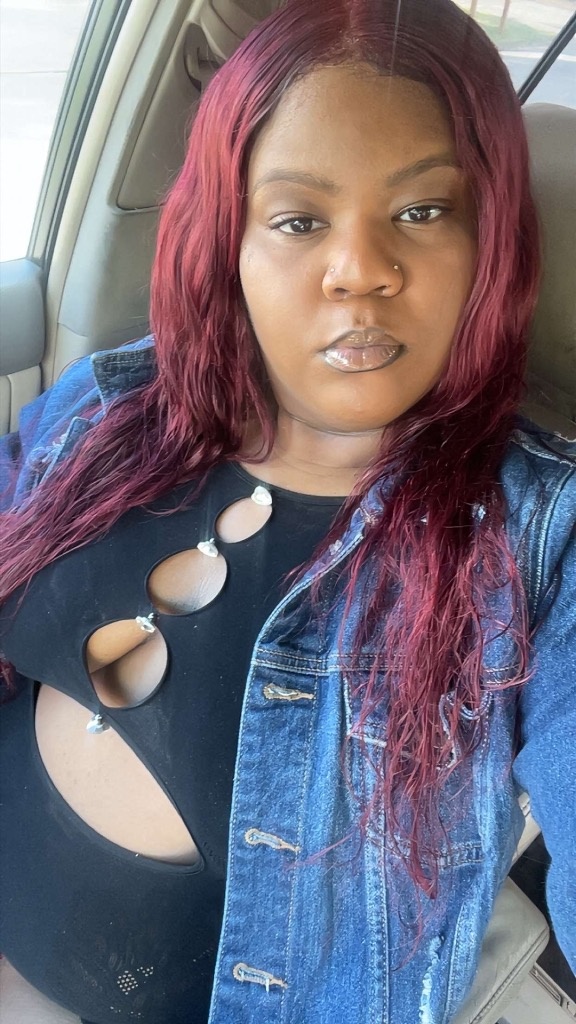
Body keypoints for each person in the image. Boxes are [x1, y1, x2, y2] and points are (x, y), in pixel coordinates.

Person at [0, 0, 574, 1021]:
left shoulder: (539, 538)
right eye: (300, 220)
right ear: (230, 240)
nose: (361, 270)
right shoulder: (113, 405)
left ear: (489, 236)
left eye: (422, 211)